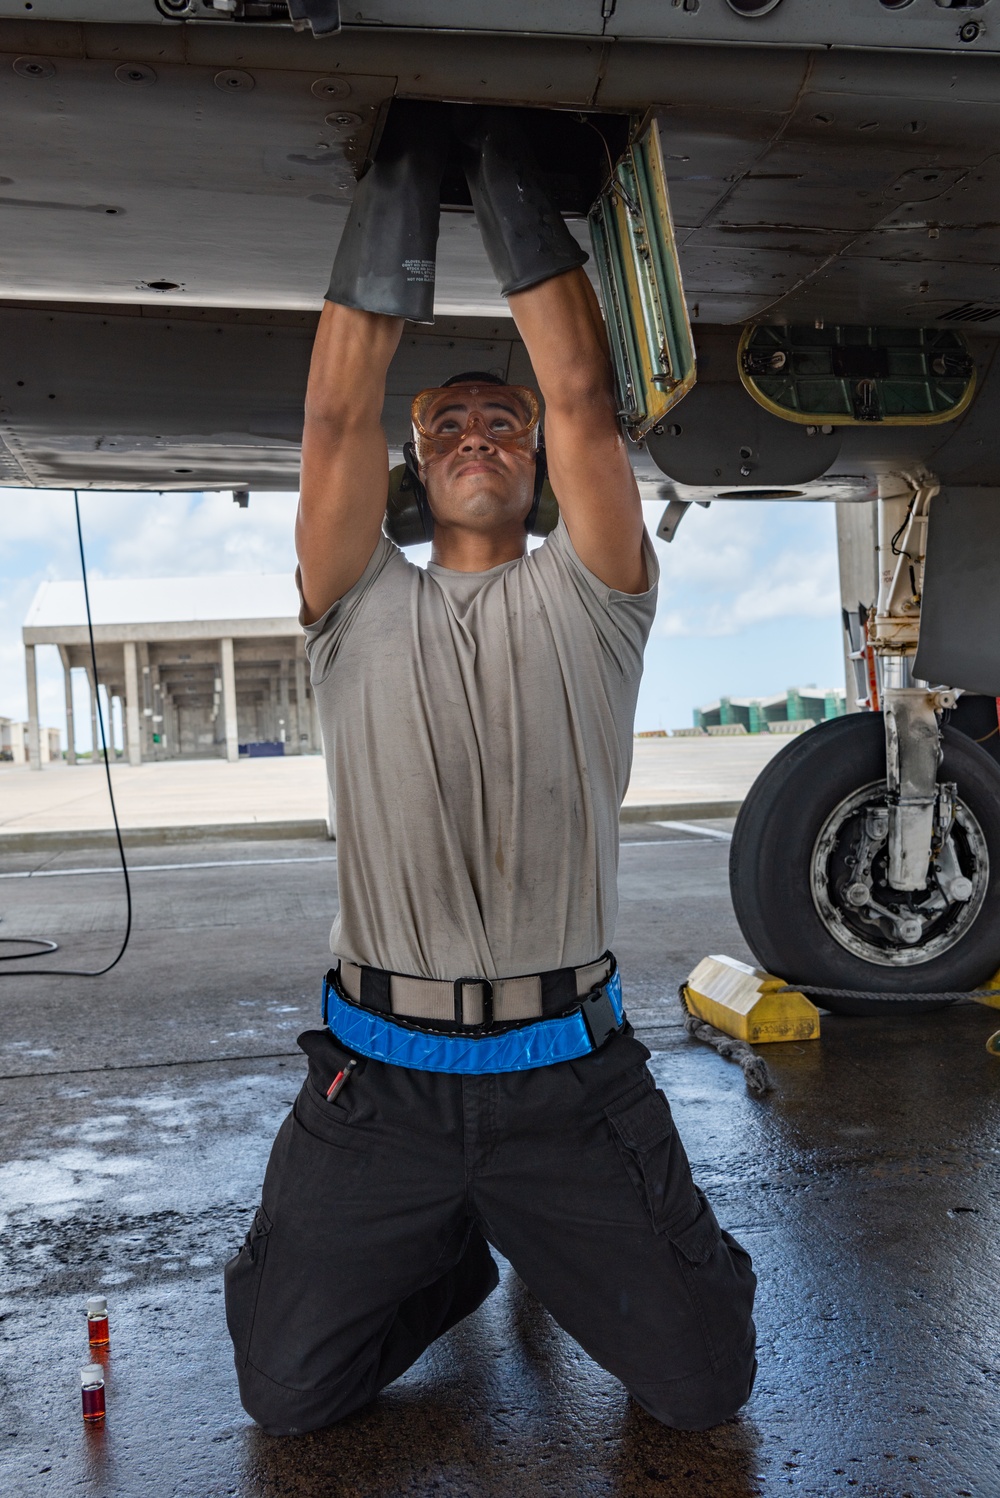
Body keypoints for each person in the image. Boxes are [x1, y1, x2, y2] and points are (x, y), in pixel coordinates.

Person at [225, 101, 757, 1437]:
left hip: (566, 1078)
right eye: (448, 420)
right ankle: (450, 1257)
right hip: (377, 1088)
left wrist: (500, 172)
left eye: (501, 422)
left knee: (705, 1385)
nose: (478, 433)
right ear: (417, 460)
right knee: (289, 1394)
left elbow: (581, 390)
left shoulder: (598, 595)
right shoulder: (353, 598)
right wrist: (407, 168)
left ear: (537, 465)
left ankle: (600, 1251)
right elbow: (335, 410)